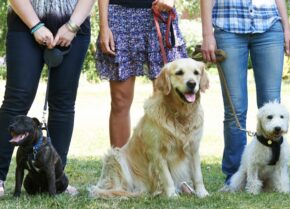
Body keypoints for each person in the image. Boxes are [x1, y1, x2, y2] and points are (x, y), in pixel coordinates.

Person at [0, 0, 96, 197]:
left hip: (74, 21)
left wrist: (72, 26)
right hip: (25, 17)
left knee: (63, 102)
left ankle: (57, 179)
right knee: (16, 99)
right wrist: (35, 25)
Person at [200, 0, 290, 185]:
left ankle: (274, 174)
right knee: (235, 110)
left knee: (272, 107)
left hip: (269, 25)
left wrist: (286, 28)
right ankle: (236, 177)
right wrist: (207, 34)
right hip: (228, 25)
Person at [95, 0, 187, 148]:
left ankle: (167, 164)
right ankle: (120, 166)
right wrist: (104, 26)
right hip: (119, 15)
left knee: (166, 98)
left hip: (158, 12)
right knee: (120, 101)